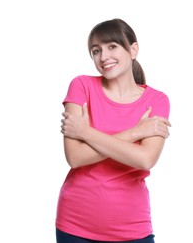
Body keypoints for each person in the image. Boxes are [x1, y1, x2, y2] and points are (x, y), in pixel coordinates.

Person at [56, 18, 171, 243]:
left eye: (112, 47)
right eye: (96, 50)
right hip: (75, 224)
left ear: (133, 49)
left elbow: (145, 159)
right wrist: (135, 133)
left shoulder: (157, 100)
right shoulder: (81, 86)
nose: (104, 57)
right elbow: (75, 157)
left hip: (132, 228)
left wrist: (85, 132)